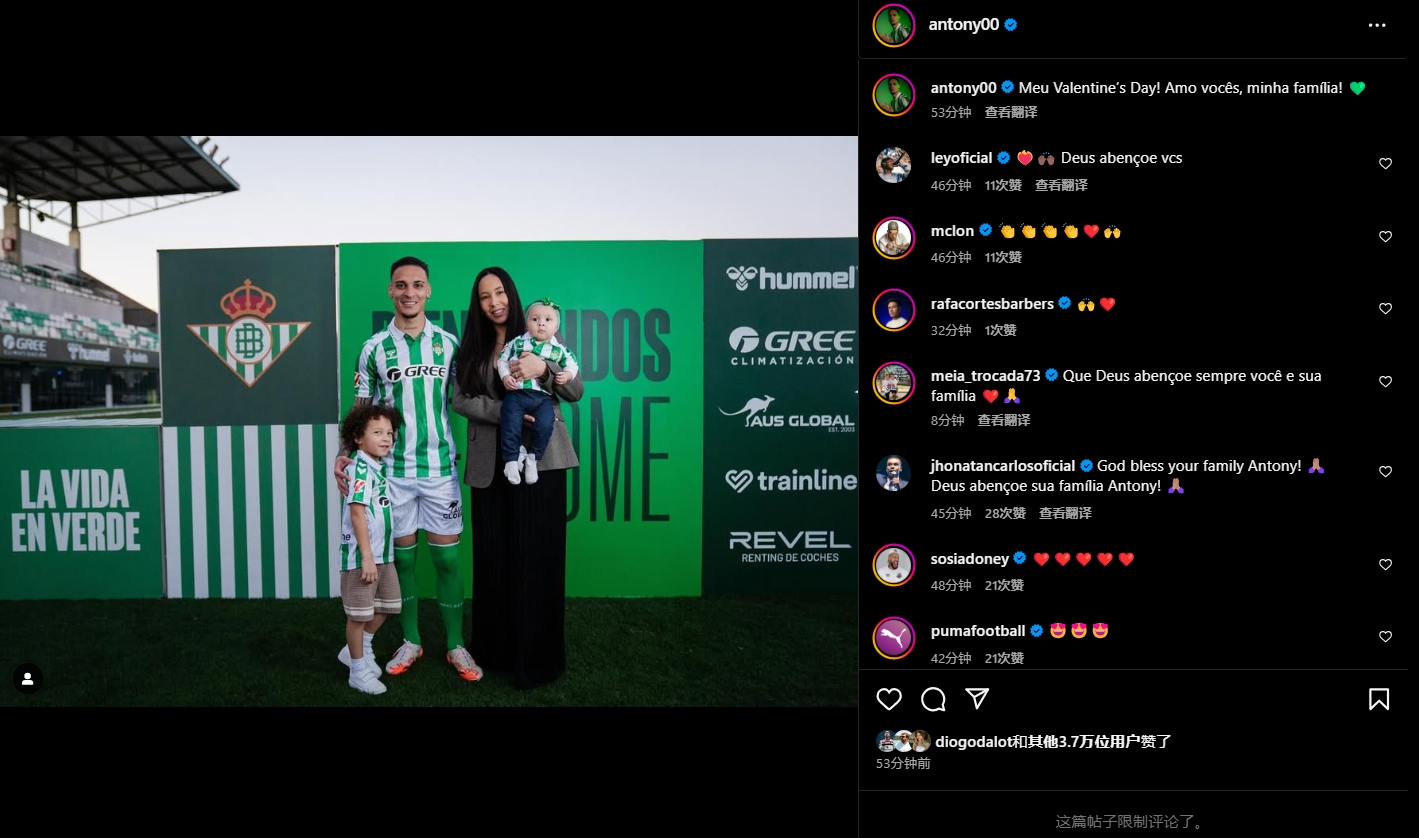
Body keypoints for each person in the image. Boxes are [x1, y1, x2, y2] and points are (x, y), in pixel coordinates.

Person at [333, 256, 483, 682]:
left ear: (428, 291)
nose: (409, 292)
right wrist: (346, 452)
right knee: (402, 561)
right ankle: (412, 640)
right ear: (391, 291)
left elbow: (467, 399)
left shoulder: (449, 344)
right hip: (392, 474)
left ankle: (456, 645)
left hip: (439, 469)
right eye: (401, 285)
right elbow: (362, 408)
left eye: (417, 285)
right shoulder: (374, 348)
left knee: (448, 560)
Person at [451, 267, 584, 689]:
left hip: (541, 462)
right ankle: (495, 651)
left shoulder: (540, 335)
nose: (494, 302)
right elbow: (460, 400)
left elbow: (575, 391)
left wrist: (544, 369)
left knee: (538, 558)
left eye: (500, 292)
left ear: (512, 294)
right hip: (489, 464)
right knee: (494, 559)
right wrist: (506, 411)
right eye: (485, 296)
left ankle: (538, 659)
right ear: (478, 304)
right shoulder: (470, 349)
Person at [335, 404, 403, 695]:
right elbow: (357, 513)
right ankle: (357, 669)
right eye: (377, 432)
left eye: (389, 433)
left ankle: (357, 649)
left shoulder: (377, 467)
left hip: (383, 555)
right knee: (359, 615)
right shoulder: (360, 468)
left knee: (388, 605)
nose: (386, 438)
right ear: (358, 438)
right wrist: (366, 557)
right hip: (363, 557)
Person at [497, 297, 581, 485]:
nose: (541, 323)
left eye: (547, 320)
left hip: (542, 398)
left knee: (545, 424)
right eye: (535, 319)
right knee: (511, 424)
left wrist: (565, 374)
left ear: (556, 327)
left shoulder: (558, 349)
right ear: (527, 323)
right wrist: (505, 376)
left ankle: (533, 458)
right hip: (517, 394)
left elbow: (573, 367)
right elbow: (502, 360)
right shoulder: (518, 343)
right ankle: (511, 460)